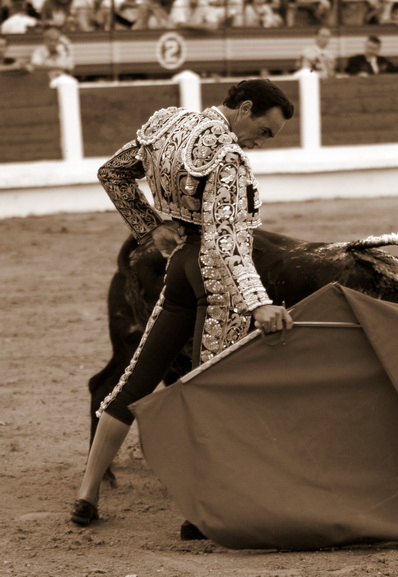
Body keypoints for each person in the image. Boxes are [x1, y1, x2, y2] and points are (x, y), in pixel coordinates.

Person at [69, 79, 296, 534]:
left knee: (134, 381)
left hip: (177, 267)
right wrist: (258, 304)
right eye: (264, 131)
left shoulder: (166, 123)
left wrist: (150, 227)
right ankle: (200, 513)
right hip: (215, 279)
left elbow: (111, 173)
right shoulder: (228, 157)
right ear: (245, 107)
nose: (261, 142)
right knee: (213, 391)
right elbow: (228, 239)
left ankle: (86, 494)